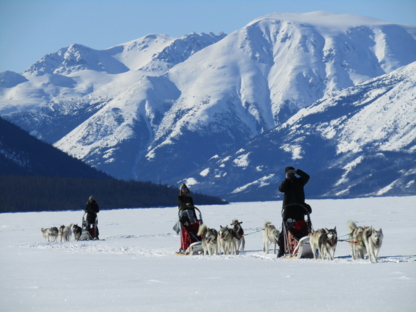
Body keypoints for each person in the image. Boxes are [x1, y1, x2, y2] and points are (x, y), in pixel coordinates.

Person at [277, 167, 311, 257]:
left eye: (292, 172)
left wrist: (298, 171)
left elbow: (307, 177)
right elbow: (281, 189)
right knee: (285, 229)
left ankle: (303, 246)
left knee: (301, 227)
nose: (291, 174)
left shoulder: (300, 181)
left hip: (299, 208)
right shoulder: (286, 183)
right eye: (289, 172)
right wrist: (287, 179)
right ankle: (281, 250)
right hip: (288, 208)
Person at [177, 183, 199, 253]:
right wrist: (187, 205)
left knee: (190, 211)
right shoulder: (180, 197)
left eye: (185, 188)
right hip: (183, 215)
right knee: (187, 211)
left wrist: (195, 218)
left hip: (190, 214)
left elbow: (193, 208)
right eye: (183, 189)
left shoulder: (190, 198)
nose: (184, 190)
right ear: (181, 190)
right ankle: (185, 246)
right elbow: (182, 205)